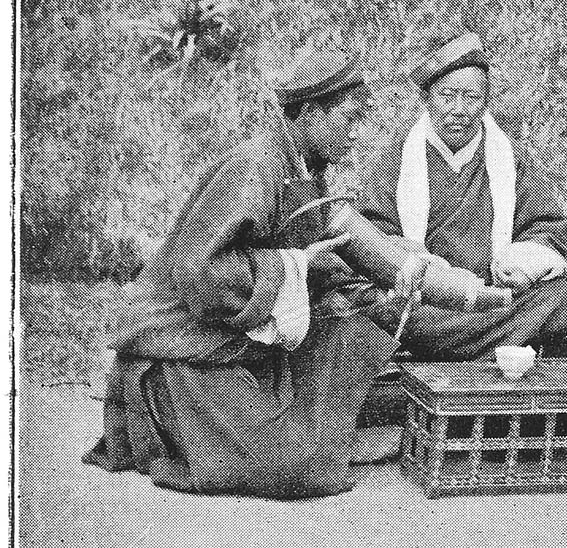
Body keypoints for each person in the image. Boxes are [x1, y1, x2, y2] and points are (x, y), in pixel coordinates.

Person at [84, 49, 397, 498]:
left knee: (350, 335)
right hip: (182, 348)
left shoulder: (305, 170)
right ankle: (175, 428)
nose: (356, 134)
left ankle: (324, 436)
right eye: (349, 120)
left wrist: (364, 285)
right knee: (285, 465)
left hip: (235, 339)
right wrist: (294, 268)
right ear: (309, 114)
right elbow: (198, 270)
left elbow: (299, 253)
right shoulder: (256, 167)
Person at [353, 32, 567, 359]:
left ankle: (460, 350)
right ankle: (504, 346)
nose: (458, 109)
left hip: (496, 298)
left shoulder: (509, 160)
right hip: (429, 301)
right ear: (428, 99)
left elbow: (546, 229)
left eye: (471, 97)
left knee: (559, 296)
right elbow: (373, 240)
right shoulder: (398, 161)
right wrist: (423, 267)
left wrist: (524, 261)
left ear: (486, 102)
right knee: (379, 308)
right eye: (447, 96)